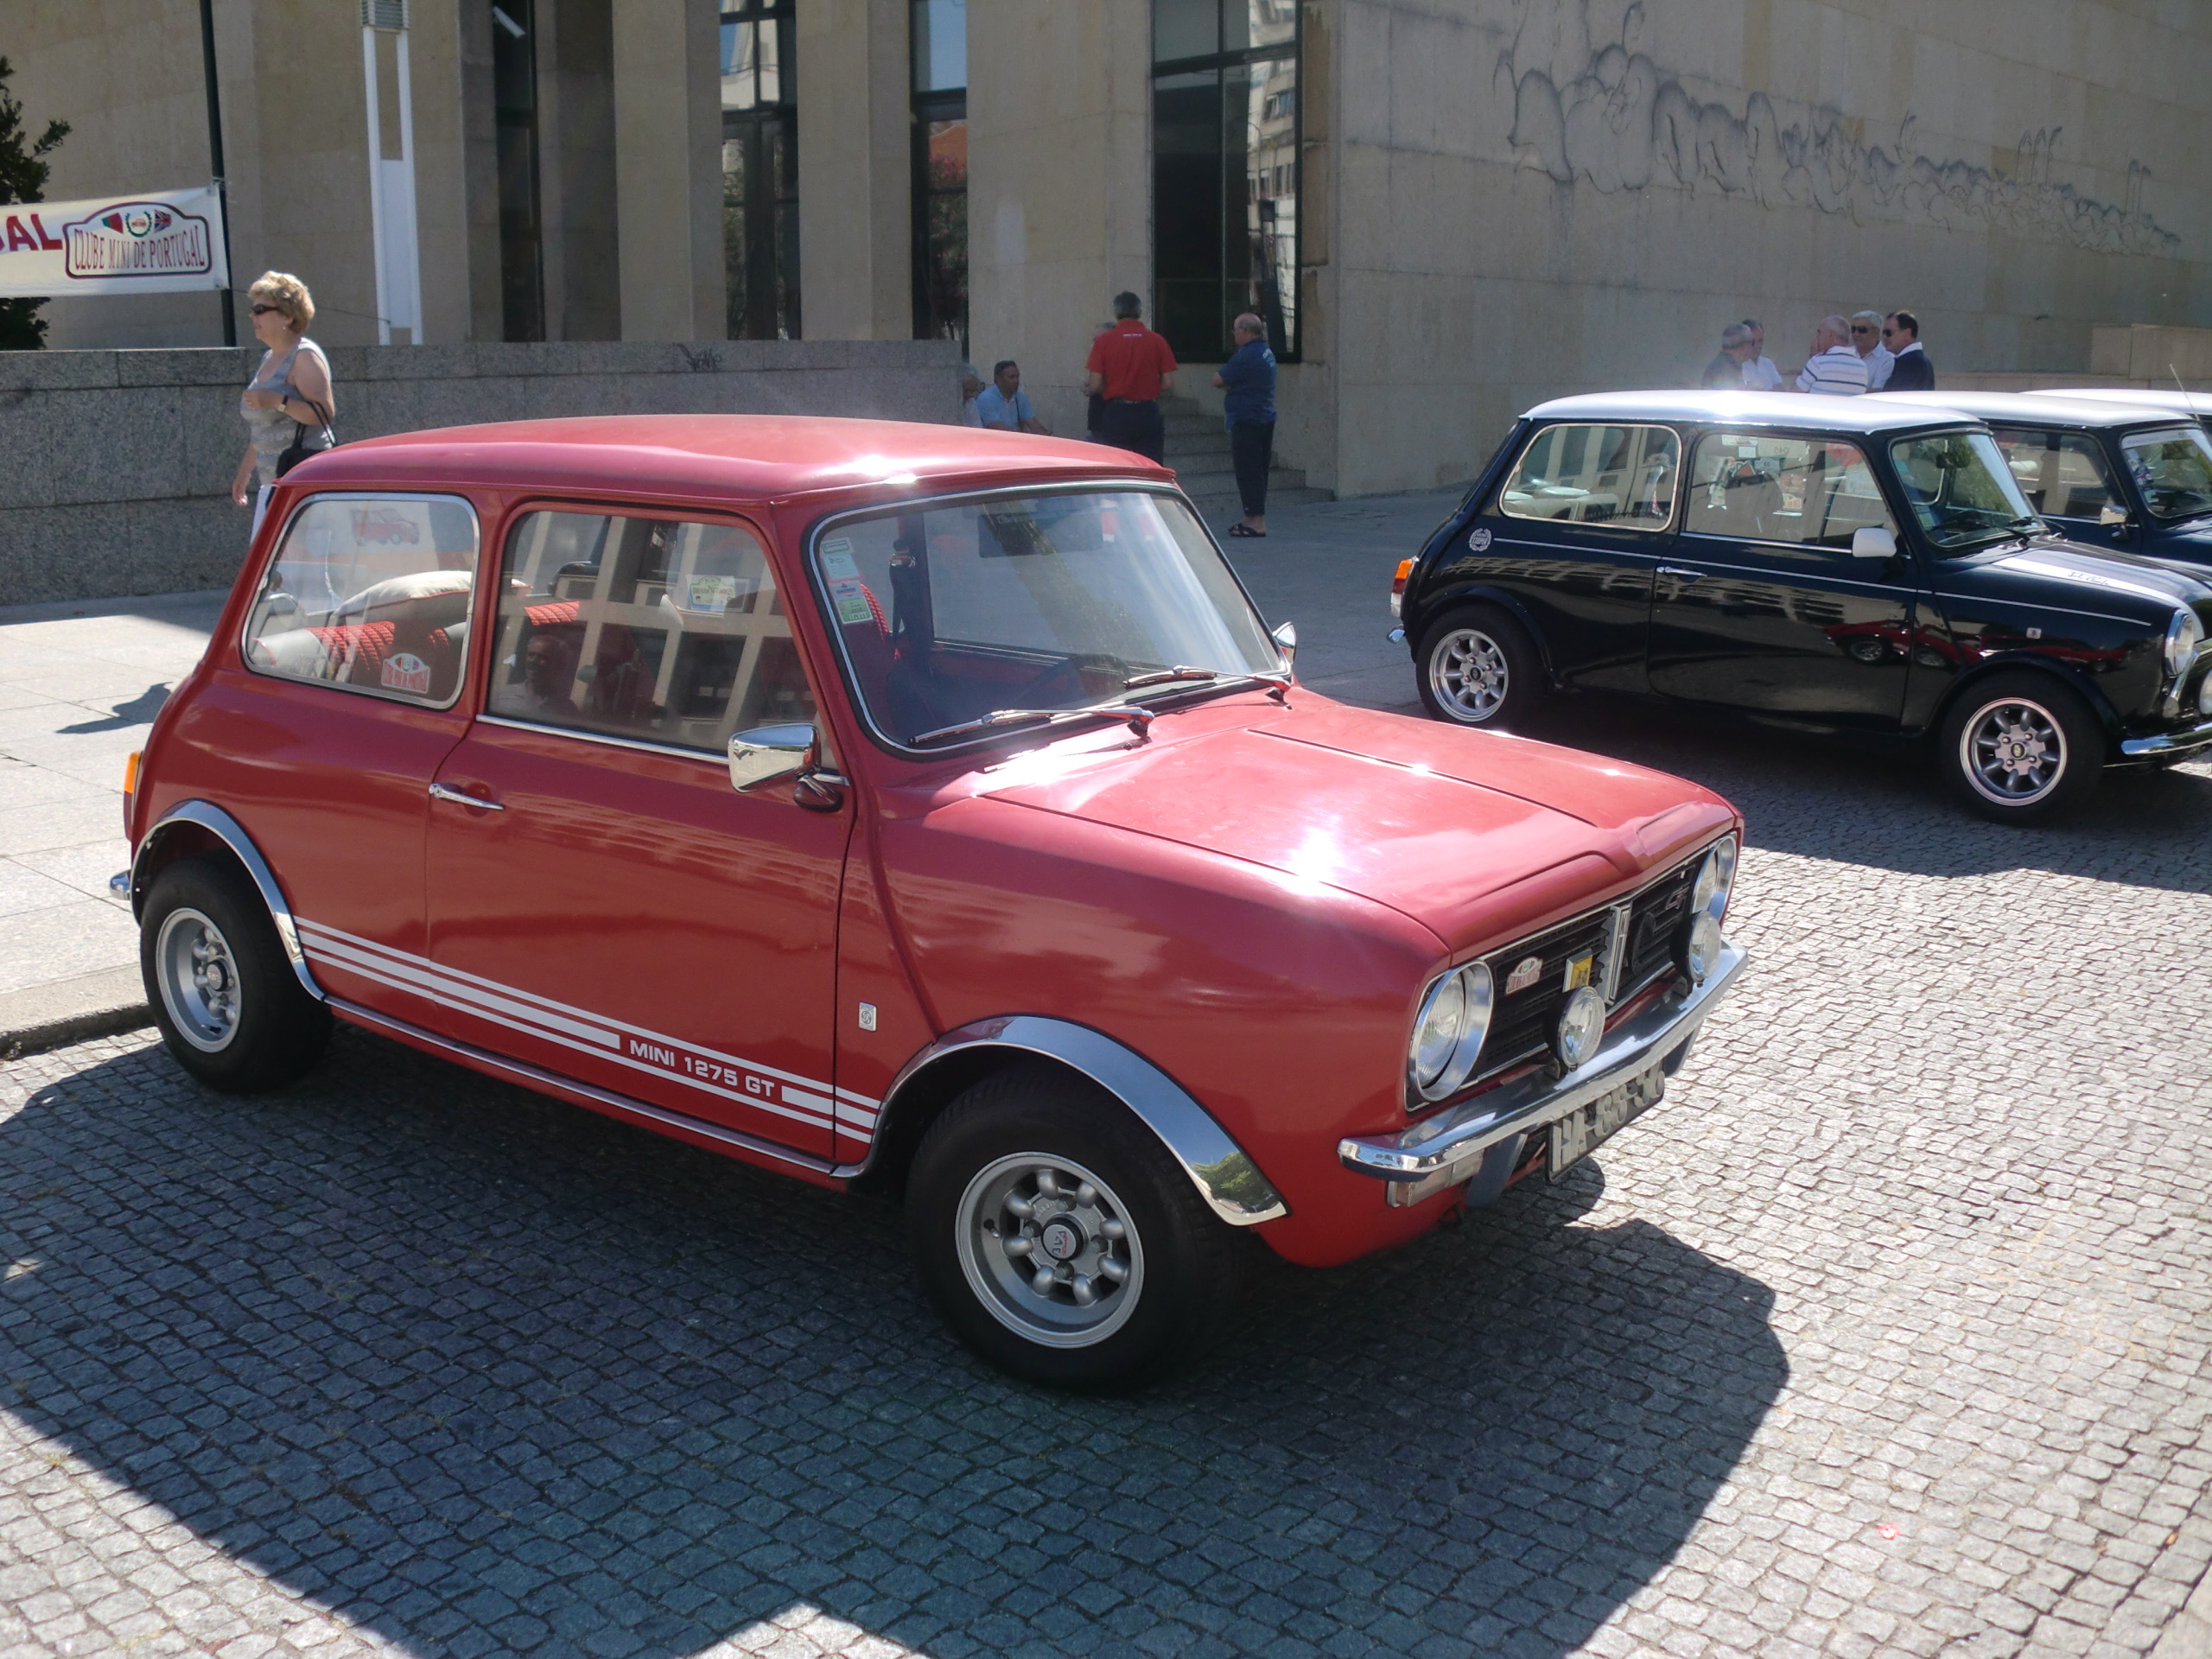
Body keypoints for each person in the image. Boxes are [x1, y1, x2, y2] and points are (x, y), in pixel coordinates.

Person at [231, 271, 335, 537]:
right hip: (274, 483)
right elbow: (263, 428)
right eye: (252, 311)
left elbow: (324, 413)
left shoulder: (304, 356)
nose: (253, 317)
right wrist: (244, 473)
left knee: (302, 557)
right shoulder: (269, 357)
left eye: (260, 310)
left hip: (304, 482)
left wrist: (277, 400)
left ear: (288, 316)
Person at [1084, 291, 1177, 462]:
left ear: (1116, 312)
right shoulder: (1157, 340)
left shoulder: (1104, 342)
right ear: (1140, 311)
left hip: (1117, 412)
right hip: (1148, 412)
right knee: (1150, 465)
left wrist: (1113, 386)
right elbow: (1167, 383)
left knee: (1118, 466)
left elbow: (1095, 385)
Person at [1212, 312, 1277, 537]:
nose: (1234, 334)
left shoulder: (1247, 354)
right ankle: (1251, 517)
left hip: (1248, 419)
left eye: (1236, 330)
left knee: (1248, 471)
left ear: (1245, 331)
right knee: (1257, 471)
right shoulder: (1265, 351)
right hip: (1263, 417)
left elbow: (1218, 379)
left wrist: (1231, 386)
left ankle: (1256, 521)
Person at [1795, 315, 1870, 395]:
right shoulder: (1863, 368)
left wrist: (1813, 356)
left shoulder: (1817, 363)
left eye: (1819, 332)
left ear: (1831, 335)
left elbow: (1795, 394)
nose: (1817, 337)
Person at [973, 359, 1049, 434]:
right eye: (1011, 377)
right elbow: (999, 430)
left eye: (1017, 377)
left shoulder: (1020, 397)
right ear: (999, 380)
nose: (1016, 381)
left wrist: (1045, 435)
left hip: (1018, 439)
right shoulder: (986, 398)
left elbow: (1033, 423)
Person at [1883, 311, 1936, 391]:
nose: (1885, 337)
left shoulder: (1912, 362)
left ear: (1907, 333)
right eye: (1883, 333)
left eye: (1889, 333)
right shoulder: (1914, 359)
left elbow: (1897, 395)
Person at [1701, 322, 1758, 389]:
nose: (1753, 348)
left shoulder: (1722, 365)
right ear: (1745, 345)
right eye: (1752, 343)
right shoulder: (1724, 370)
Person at [1851, 309, 1895, 389]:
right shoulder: (1846, 353)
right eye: (1853, 329)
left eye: (1862, 329)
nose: (1856, 334)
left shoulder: (1887, 359)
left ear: (1876, 332)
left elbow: (1876, 391)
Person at [1739, 318, 1783, 390]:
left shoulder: (1768, 364)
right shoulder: (1738, 365)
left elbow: (1780, 390)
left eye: (1760, 341)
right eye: (1753, 341)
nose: (1757, 346)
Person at [958, 362, 986, 427]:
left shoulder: (971, 402)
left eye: (973, 391)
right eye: (966, 390)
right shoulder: (953, 403)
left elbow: (977, 426)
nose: (970, 395)